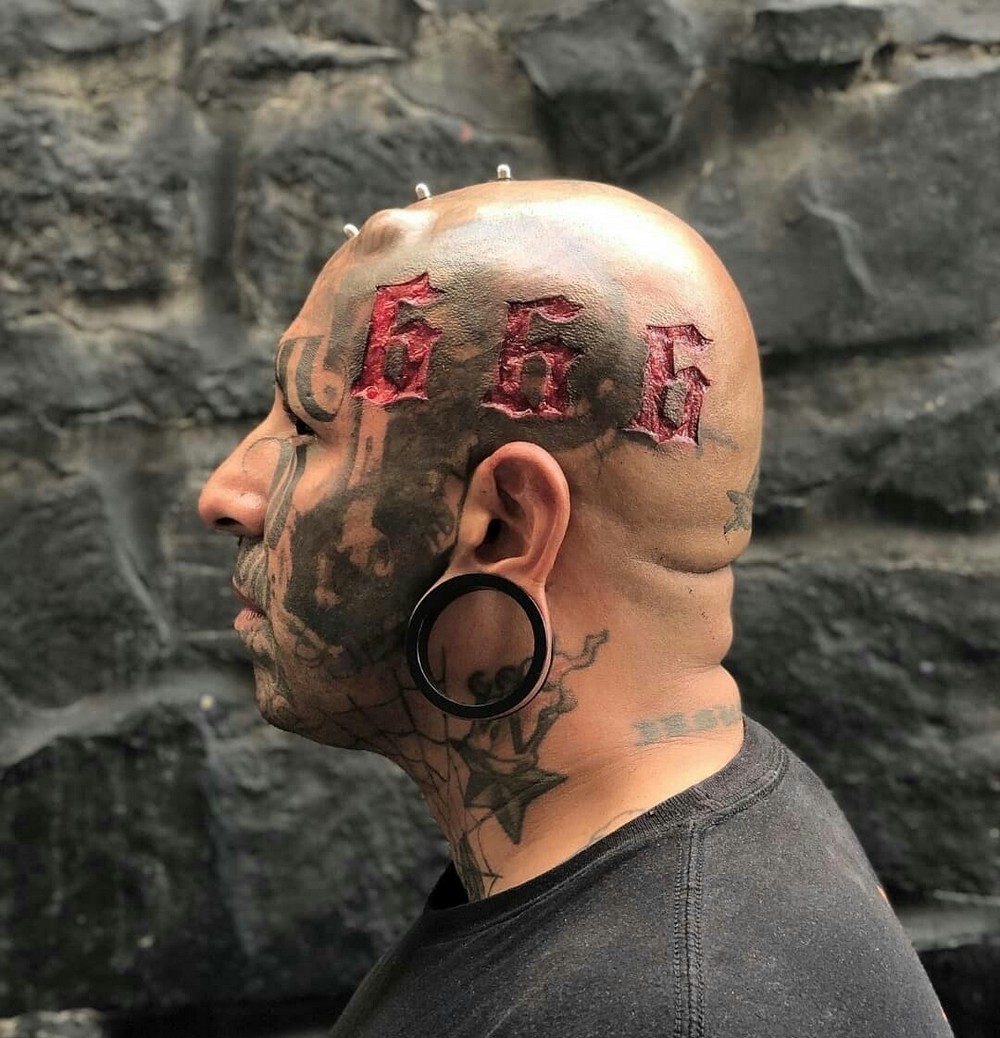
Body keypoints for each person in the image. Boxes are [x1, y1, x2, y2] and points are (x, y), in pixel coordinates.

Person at [198, 172, 952, 1036]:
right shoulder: (709, 858)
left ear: (506, 528)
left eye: (305, 425)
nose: (223, 495)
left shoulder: (665, 1010)